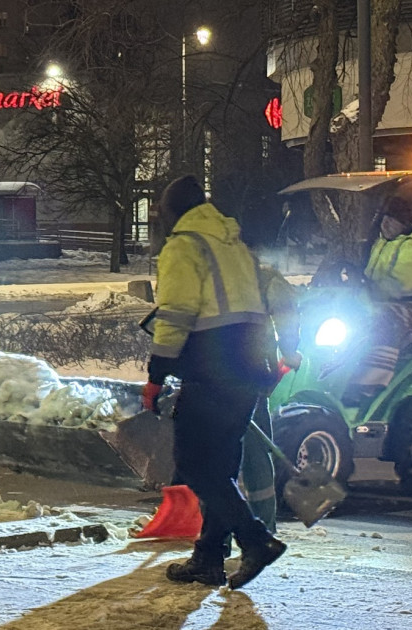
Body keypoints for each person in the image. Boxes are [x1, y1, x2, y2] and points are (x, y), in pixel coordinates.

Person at [142, 175, 286, 590]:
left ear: (173, 213)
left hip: (211, 371)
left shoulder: (184, 246)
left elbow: (176, 315)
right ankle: (208, 558)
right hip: (247, 370)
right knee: (221, 467)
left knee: (194, 464)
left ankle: (256, 540)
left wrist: (155, 376)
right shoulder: (232, 244)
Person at [341, 196, 412, 407]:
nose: (385, 224)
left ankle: (371, 384)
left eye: (391, 220)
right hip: (383, 303)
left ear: (405, 224)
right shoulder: (382, 243)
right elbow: (372, 280)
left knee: (383, 321)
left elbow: (402, 286)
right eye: (384, 219)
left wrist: (365, 284)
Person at [243, 249, 302, 533]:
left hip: (230, 371)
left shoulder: (213, 273)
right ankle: (261, 525)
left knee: (243, 450)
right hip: (251, 370)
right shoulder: (264, 279)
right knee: (253, 447)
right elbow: (287, 313)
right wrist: (290, 351)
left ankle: (252, 527)